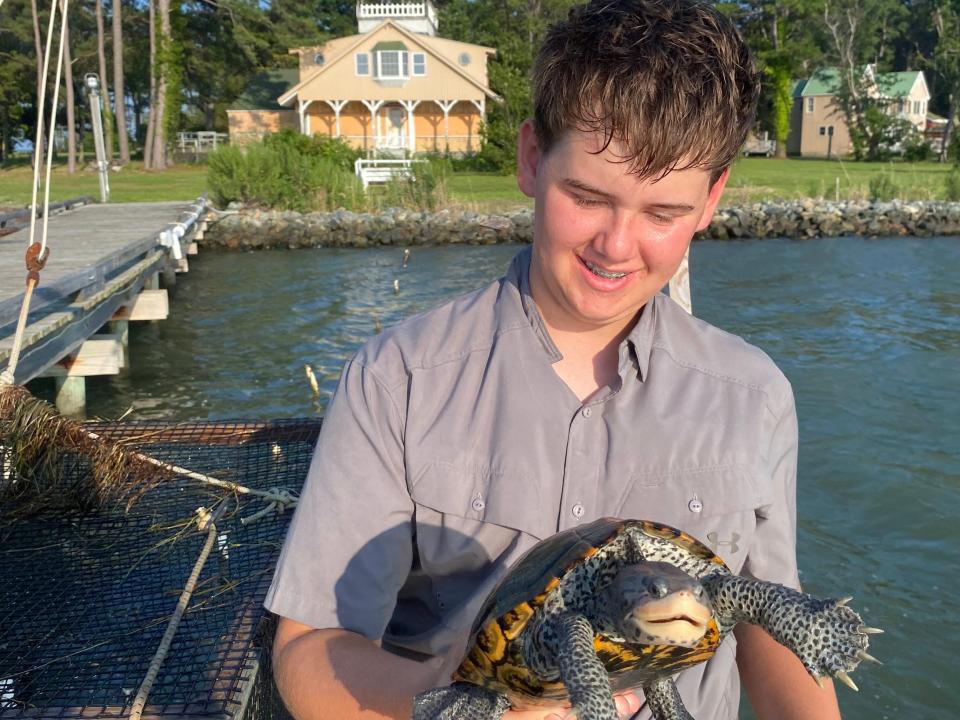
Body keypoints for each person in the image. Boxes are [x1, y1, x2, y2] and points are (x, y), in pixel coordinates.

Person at [264, 0, 844, 717]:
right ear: (532, 158)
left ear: (710, 201)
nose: (617, 246)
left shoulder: (754, 396)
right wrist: (473, 697)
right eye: (588, 196)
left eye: (662, 214)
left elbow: (769, 635)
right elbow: (307, 647)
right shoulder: (399, 380)